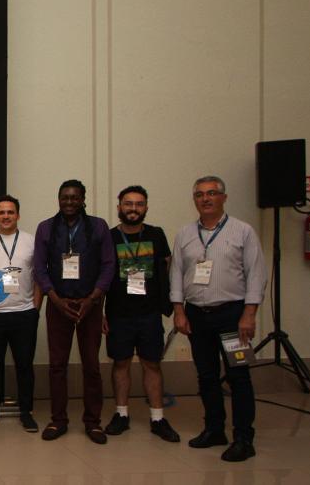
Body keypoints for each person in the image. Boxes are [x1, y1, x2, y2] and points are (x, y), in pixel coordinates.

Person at [170, 176, 266, 462]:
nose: (206, 199)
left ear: (224, 197)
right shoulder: (185, 234)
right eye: (199, 194)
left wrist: (249, 314)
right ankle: (214, 429)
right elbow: (176, 273)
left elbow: (256, 274)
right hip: (197, 315)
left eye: (212, 193)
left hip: (233, 314)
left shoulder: (243, 232)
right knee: (207, 375)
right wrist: (178, 310)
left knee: (238, 375)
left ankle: (243, 437)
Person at [34, 179, 115, 444]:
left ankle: (93, 422)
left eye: (74, 198)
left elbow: (108, 265)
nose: (69, 202)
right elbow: (40, 268)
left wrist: (93, 299)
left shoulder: (99, 226)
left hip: (89, 305)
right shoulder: (46, 228)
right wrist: (55, 299)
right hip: (59, 305)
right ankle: (59, 420)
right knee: (57, 366)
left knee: (91, 365)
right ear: (58, 199)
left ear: (83, 200)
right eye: (64, 198)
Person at [102, 186, 179, 442]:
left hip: (149, 313)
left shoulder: (156, 235)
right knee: (120, 364)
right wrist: (101, 312)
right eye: (128, 203)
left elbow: (167, 268)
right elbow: (100, 276)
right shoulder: (109, 237)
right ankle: (121, 415)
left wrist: (172, 304)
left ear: (146, 207)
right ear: (119, 207)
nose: (133, 208)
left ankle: (158, 418)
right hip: (118, 313)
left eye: (138, 204)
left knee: (152, 364)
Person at [0, 195, 42, 431]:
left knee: (24, 364)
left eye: (10, 212)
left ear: (18, 215)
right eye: (1, 212)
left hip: (24, 313)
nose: (6, 216)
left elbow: (39, 278)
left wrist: (35, 308)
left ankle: (26, 411)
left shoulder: (32, 242)